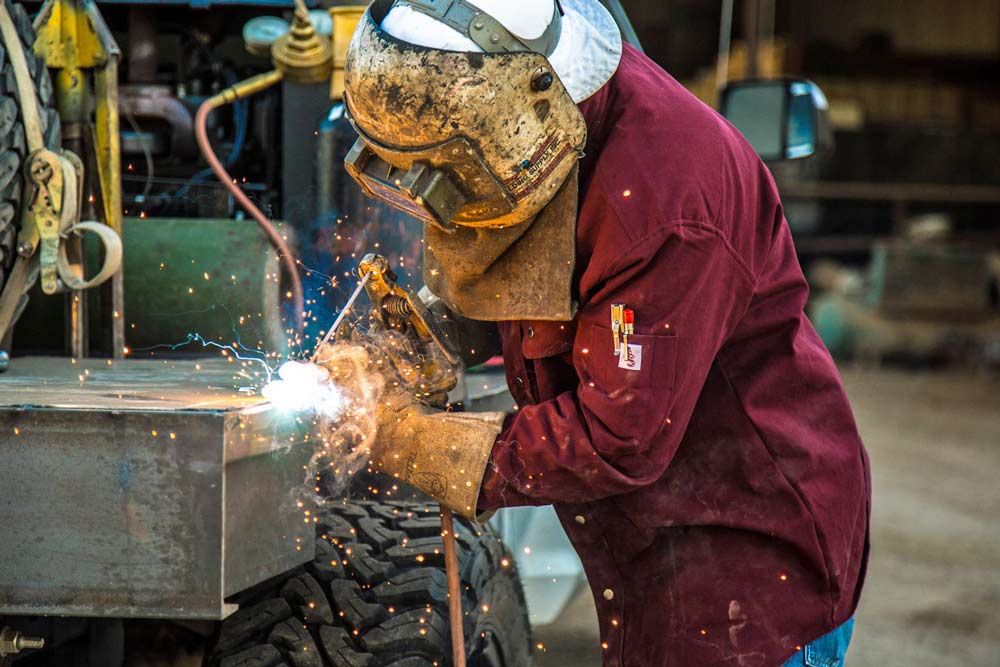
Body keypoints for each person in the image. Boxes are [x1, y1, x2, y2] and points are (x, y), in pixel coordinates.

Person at [341, 1, 870, 665]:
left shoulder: (665, 206)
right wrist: (418, 341)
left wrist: (413, 441)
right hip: (656, 537)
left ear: (523, 107)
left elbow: (617, 436)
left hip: (746, 558)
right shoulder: (550, 137)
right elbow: (529, 255)